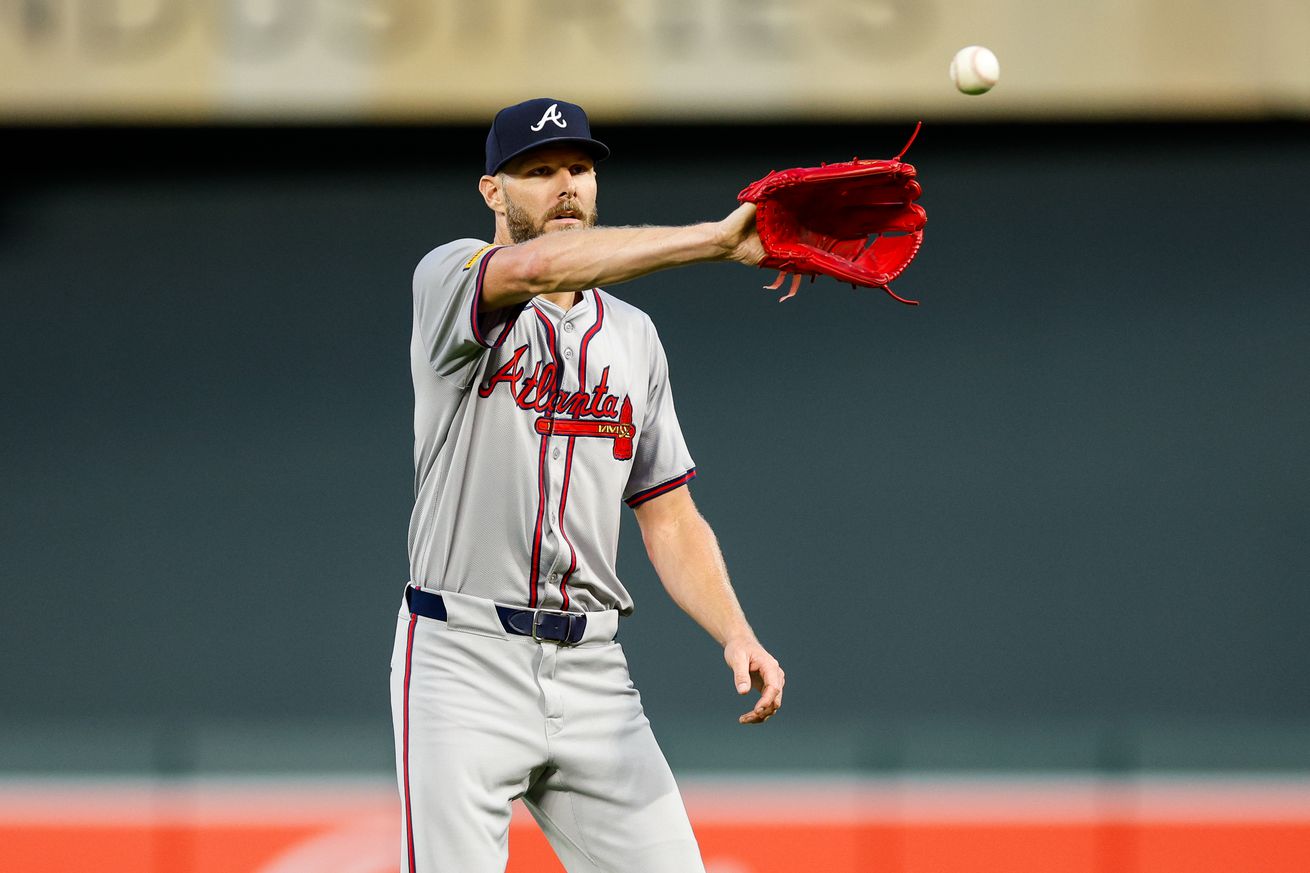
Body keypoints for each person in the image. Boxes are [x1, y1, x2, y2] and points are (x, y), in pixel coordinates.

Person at [391, 96, 784, 873]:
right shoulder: (450, 277)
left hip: (593, 668)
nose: (565, 184)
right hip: (462, 659)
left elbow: (668, 515)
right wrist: (714, 240)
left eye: (578, 167)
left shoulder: (633, 336)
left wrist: (736, 630)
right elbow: (536, 267)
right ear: (492, 193)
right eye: (537, 172)